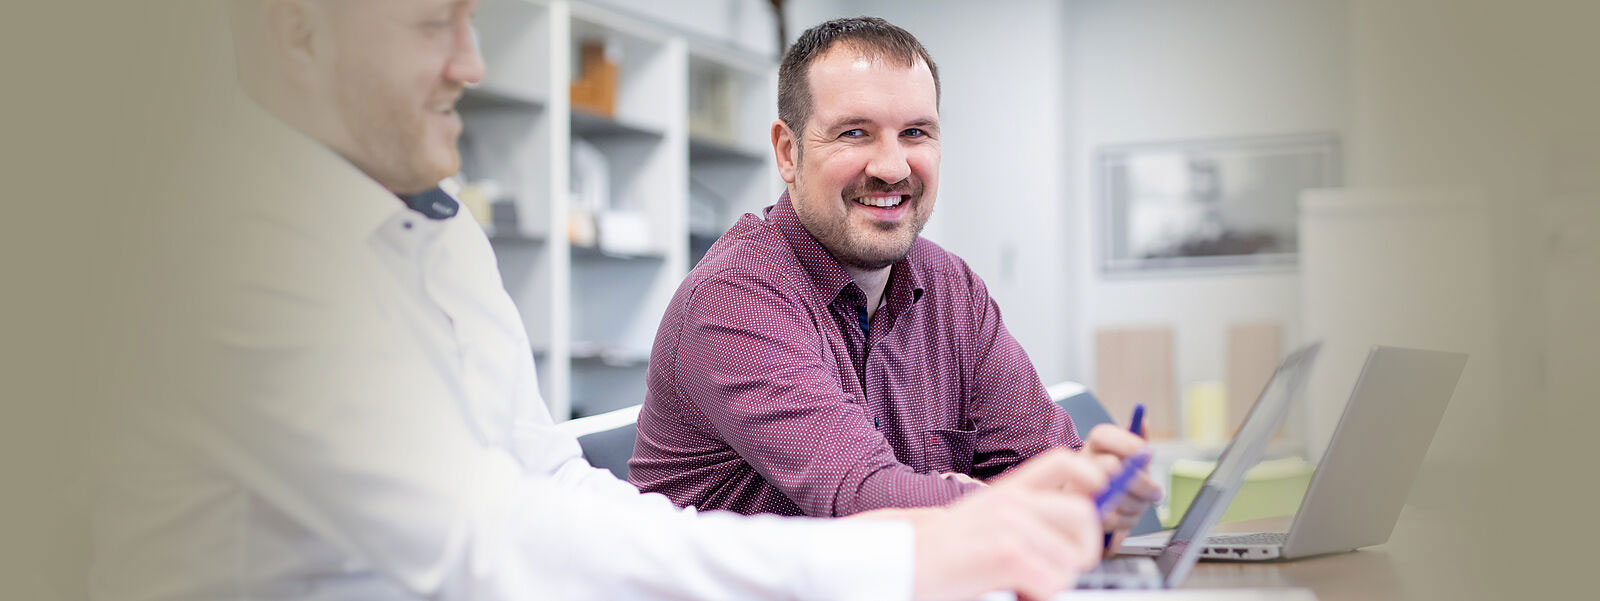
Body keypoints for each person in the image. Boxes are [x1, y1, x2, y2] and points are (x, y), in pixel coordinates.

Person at [89, 2, 1115, 600]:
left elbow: (546, 478)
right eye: (431, 22)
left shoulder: (432, 227)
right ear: (297, 34)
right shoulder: (224, 251)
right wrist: (906, 554)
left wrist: (1026, 512)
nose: (471, 61)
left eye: (470, 18)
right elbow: (480, 536)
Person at [628, 15, 1162, 538]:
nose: (893, 167)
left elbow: (1046, 460)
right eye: (854, 133)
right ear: (789, 153)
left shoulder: (950, 289)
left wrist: (1093, 491)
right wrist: (1047, 502)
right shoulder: (733, 298)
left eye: (915, 133)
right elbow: (862, 500)